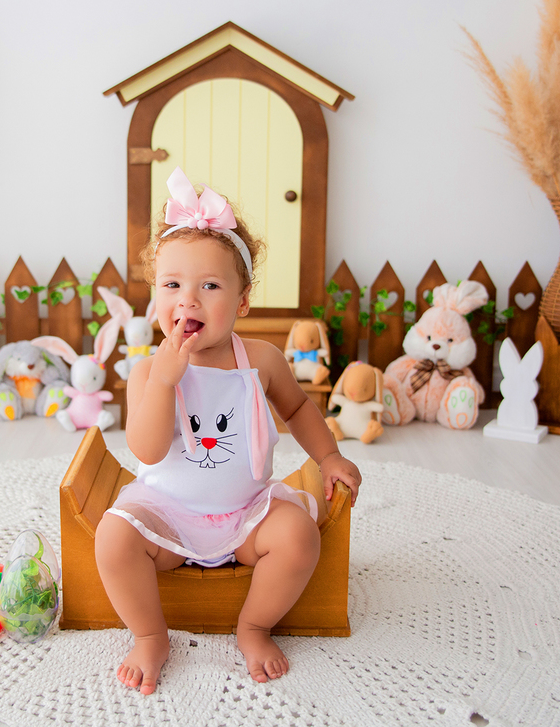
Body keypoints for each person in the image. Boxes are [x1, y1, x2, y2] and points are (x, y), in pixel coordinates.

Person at [95, 167, 363, 695]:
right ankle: (150, 636)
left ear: (241, 302)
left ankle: (254, 626)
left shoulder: (260, 359)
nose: (187, 300)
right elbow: (145, 450)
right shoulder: (149, 369)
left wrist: (329, 458)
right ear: (156, 299)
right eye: (172, 285)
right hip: (168, 513)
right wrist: (165, 384)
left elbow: (300, 410)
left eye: (209, 286)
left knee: (299, 536)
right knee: (112, 537)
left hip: (247, 513)